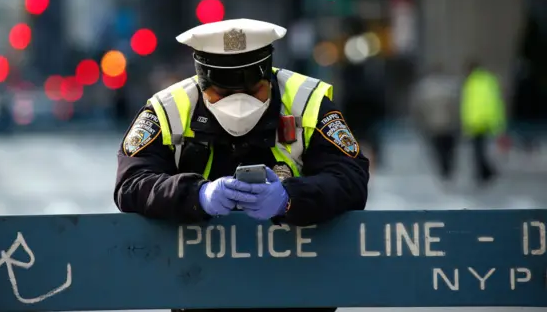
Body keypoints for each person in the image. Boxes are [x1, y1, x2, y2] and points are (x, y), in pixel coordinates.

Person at [114, 19, 370, 311]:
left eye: (254, 91)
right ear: (202, 82)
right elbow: (131, 184)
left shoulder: (307, 102)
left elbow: (351, 177)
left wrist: (291, 199)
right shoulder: (167, 109)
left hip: (297, 290)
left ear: (268, 75)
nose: (238, 105)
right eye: (221, 94)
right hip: (200, 291)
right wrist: (196, 196)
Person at [411, 65, 461, 180]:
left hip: (433, 126)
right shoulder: (451, 88)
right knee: (449, 149)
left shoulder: (424, 89)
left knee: (438, 149)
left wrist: (420, 122)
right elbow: (457, 107)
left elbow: (418, 108)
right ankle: (448, 169)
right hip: (449, 125)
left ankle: (444, 170)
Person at [460, 61, 506, 184]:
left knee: (478, 151)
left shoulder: (471, 83)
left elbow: (469, 105)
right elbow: (496, 103)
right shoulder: (489, 81)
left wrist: (466, 123)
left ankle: (485, 174)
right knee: (480, 151)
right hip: (484, 121)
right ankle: (484, 173)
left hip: (477, 122)